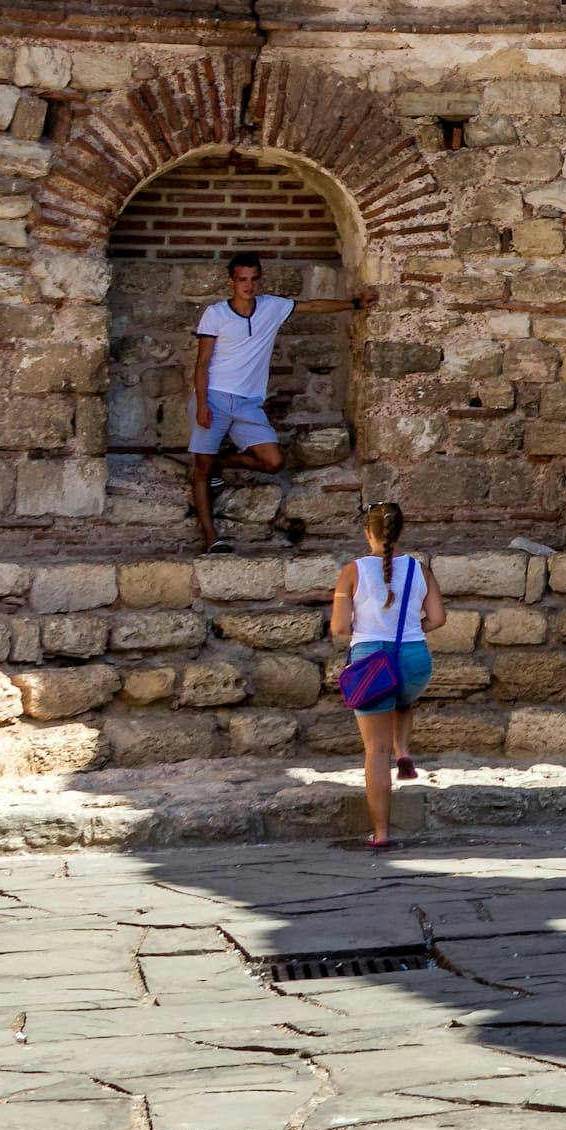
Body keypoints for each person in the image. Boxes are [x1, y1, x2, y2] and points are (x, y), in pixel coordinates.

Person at [186, 252, 338, 546]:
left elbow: (315, 306)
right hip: (214, 398)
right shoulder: (215, 314)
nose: (249, 285)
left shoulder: (271, 307)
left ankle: (221, 462)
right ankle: (211, 538)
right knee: (201, 470)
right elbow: (202, 363)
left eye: (254, 279)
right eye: (242, 279)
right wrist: (203, 404)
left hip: (247, 404)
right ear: (232, 282)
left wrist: (354, 304)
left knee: (273, 461)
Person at [329, 499, 441, 850]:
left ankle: (381, 833)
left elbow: (338, 627)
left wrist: (363, 628)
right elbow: (437, 618)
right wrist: (411, 628)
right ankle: (404, 749)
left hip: (372, 662)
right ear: (401, 532)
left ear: (368, 534)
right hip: (415, 660)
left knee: (375, 750)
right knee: (403, 697)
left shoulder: (352, 571)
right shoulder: (420, 570)